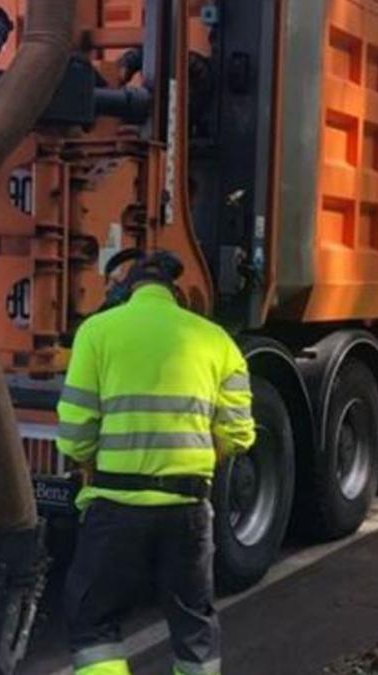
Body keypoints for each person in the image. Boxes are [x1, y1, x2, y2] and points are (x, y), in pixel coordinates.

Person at [56, 250, 256, 675]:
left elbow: (74, 432)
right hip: (187, 510)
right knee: (193, 626)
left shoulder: (97, 332)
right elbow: (239, 433)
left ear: (127, 290)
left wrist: (90, 461)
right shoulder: (218, 340)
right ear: (176, 292)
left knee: (94, 621)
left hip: (114, 506)